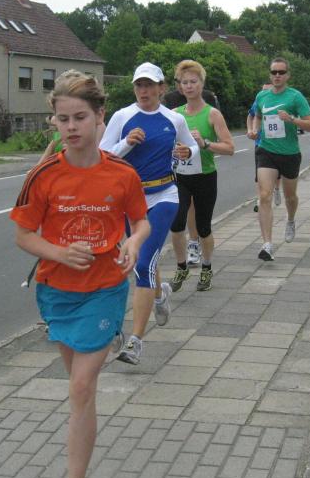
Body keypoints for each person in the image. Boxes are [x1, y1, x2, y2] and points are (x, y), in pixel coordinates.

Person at [10, 70, 150, 478]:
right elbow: (23, 235)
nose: (70, 127)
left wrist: (134, 242)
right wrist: (59, 253)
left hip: (106, 288)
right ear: (54, 120)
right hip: (57, 293)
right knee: (80, 392)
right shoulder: (43, 175)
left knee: (82, 385)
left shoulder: (122, 174)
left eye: (80, 118)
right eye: (63, 119)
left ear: (99, 116)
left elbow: (140, 221)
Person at [99, 62, 199, 365]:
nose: (143, 91)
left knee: (142, 263)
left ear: (161, 88)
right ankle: (159, 295)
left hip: (165, 195)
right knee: (143, 260)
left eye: (149, 85)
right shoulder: (123, 117)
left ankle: (135, 342)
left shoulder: (174, 119)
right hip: (131, 201)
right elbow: (103, 156)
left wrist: (187, 152)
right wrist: (126, 143)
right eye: (139, 85)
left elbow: (192, 147)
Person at [169, 60, 235, 293]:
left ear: (201, 83)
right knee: (176, 223)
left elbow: (230, 148)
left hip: (205, 176)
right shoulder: (174, 114)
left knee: (203, 227)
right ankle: (181, 266)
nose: (189, 86)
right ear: (180, 86)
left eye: (193, 82)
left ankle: (206, 267)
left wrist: (205, 143)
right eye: (184, 82)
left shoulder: (212, 114)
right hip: (181, 176)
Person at [250, 57, 310, 261]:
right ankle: (267, 244)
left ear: (287, 75)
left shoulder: (295, 97)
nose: (277, 75)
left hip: (289, 153)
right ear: (270, 75)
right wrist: (255, 129)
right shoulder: (262, 95)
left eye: (281, 72)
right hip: (266, 150)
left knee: (290, 197)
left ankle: (291, 219)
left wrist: (292, 119)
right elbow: (257, 115)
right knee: (264, 195)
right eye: (274, 72)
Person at [247, 85, 282, 212]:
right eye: (263, 90)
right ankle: (259, 200)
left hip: (277, 144)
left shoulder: (280, 101)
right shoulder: (259, 101)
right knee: (259, 174)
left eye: (268, 90)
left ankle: (277, 190)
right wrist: (251, 130)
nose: (265, 92)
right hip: (261, 143)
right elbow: (250, 116)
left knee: (277, 173)